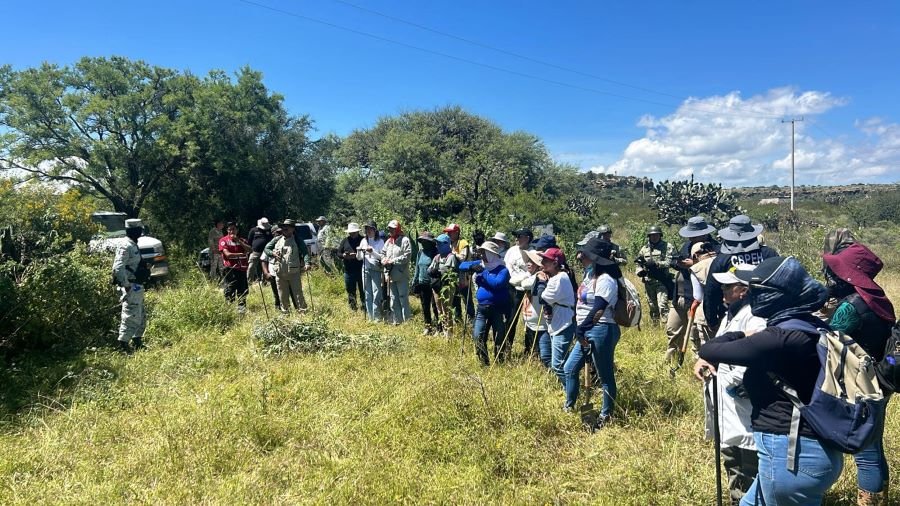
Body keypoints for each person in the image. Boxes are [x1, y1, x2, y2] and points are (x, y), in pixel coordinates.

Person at [698, 256, 842, 505]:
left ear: (774, 295)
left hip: (791, 456)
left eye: (755, 290)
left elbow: (710, 349)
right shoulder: (810, 325)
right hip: (805, 451)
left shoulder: (779, 337)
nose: (750, 295)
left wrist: (744, 332)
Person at [823, 243, 895, 504]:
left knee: (866, 451)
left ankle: (870, 501)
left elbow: (829, 339)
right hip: (880, 378)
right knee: (874, 443)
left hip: (861, 382)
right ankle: (881, 497)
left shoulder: (851, 305)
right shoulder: (877, 298)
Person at [693, 265, 766, 505]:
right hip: (726, 401)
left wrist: (729, 377)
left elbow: (751, 361)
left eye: (727, 286)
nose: (722, 290)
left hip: (741, 401)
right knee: (730, 454)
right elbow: (721, 348)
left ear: (743, 290)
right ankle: (737, 499)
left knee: (749, 459)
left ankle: (750, 500)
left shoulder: (755, 317)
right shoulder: (730, 313)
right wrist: (707, 359)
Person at [562, 238, 622, 427]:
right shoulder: (590, 277)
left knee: (605, 375)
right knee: (569, 368)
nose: (581, 257)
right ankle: (569, 406)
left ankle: (606, 416)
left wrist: (582, 329)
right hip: (587, 329)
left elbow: (599, 308)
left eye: (585, 254)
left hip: (601, 329)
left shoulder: (606, 280)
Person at [703, 215, 778, 330]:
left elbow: (711, 291)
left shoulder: (722, 259)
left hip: (734, 313)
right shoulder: (769, 254)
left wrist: (711, 320)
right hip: (769, 311)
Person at [666, 216, 717, 367]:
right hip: (679, 296)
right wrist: (680, 263)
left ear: (704, 233)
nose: (691, 237)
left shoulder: (715, 248)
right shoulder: (686, 246)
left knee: (696, 336)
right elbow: (675, 263)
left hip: (698, 300)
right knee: (672, 330)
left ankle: (700, 366)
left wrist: (694, 264)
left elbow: (713, 268)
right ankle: (671, 365)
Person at [459, 241, 511, 365]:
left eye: (484, 253)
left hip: (498, 308)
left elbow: (496, 284)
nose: (482, 256)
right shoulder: (481, 265)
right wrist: (471, 267)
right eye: (481, 253)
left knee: (499, 336)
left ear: (492, 254)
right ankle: (484, 362)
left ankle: (500, 361)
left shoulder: (502, 269)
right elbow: (461, 266)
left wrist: (483, 274)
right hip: (482, 308)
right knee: (477, 335)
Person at [538, 247, 577, 382]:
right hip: (560, 320)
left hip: (563, 322)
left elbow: (542, 298)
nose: (542, 262)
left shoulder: (558, 279)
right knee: (561, 362)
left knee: (558, 365)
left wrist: (542, 282)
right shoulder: (559, 276)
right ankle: (570, 392)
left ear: (555, 263)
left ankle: (571, 392)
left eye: (545, 260)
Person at [112, 219, 149, 353]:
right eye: (139, 229)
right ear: (133, 230)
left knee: (140, 314)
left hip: (137, 285)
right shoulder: (125, 245)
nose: (141, 232)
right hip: (131, 286)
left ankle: (137, 341)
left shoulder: (133, 244)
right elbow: (118, 267)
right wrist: (125, 284)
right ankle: (123, 345)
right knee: (129, 315)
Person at [264, 219, 309, 313]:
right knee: (282, 295)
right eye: (283, 227)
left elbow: (305, 252)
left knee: (298, 294)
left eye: (287, 227)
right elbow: (266, 248)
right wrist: (272, 253)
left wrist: (307, 263)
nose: (284, 229)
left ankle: (303, 313)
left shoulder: (297, 240)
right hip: (279, 273)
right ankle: (285, 314)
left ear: (292, 229)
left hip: (294, 273)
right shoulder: (276, 239)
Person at [635, 225, 674, 325]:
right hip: (649, 281)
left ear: (660, 235)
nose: (654, 237)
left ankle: (667, 326)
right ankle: (655, 327)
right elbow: (638, 262)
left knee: (662, 305)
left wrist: (657, 264)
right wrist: (640, 271)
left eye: (656, 235)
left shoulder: (667, 246)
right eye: (652, 235)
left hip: (661, 280)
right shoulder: (644, 249)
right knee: (652, 306)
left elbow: (669, 262)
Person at [505, 228, 533, 350]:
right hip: (513, 288)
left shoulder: (533, 252)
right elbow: (507, 267)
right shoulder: (511, 251)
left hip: (528, 290)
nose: (516, 239)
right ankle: (507, 347)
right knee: (511, 319)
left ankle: (529, 349)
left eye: (519, 236)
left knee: (529, 319)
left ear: (527, 238)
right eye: (516, 236)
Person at [381, 220, 412, 324]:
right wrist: (384, 260)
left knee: (403, 298)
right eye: (390, 228)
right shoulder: (388, 241)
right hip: (390, 275)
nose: (391, 230)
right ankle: (397, 321)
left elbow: (407, 256)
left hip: (401, 274)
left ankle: (407, 321)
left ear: (398, 229)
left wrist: (393, 260)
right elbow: (383, 253)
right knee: (393, 299)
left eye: (393, 228)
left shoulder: (404, 240)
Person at [520, 248, 548, 359]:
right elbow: (518, 282)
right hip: (531, 323)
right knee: (533, 350)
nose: (528, 264)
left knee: (543, 353)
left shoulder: (542, 277)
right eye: (528, 261)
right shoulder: (532, 276)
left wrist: (536, 277)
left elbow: (525, 284)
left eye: (531, 262)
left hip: (541, 325)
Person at [429, 233, 459, 334]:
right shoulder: (437, 257)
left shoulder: (451, 257)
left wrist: (437, 272)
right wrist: (431, 271)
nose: (437, 246)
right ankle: (443, 329)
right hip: (437, 287)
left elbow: (448, 271)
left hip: (447, 287)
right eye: (437, 244)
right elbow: (430, 269)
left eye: (439, 244)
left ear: (446, 244)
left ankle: (449, 333)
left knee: (447, 310)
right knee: (439, 309)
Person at [219, 222, 251, 313]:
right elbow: (227, 255)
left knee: (243, 292)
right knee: (230, 291)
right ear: (227, 230)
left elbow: (249, 250)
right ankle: (228, 311)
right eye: (229, 229)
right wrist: (241, 254)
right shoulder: (223, 240)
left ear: (237, 230)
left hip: (242, 269)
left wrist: (239, 241)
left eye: (233, 229)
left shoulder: (242, 240)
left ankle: (241, 312)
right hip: (230, 270)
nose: (231, 231)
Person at [358, 220, 385, 322]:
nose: (368, 231)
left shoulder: (380, 241)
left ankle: (377, 316)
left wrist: (372, 252)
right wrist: (359, 251)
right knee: (367, 292)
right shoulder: (363, 241)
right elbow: (360, 258)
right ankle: (370, 316)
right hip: (365, 268)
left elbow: (382, 256)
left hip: (376, 268)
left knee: (376, 292)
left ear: (375, 230)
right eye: (367, 229)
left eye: (370, 229)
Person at [413, 231, 439, 334]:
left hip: (432, 284)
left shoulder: (435, 253)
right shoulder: (420, 253)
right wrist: (415, 281)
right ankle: (428, 326)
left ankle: (439, 327)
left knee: (435, 306)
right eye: (422, 241)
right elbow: (417, 268)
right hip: (422, 282)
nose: (423, 243)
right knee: (425, 306)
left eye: (425, 241)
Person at [445, 223, 472, 320]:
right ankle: (458, 319)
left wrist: (453, 253)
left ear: (457, 233)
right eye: (448, 233)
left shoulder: (463, 243)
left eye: (450, 232)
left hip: (463, 275)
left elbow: (463, 258)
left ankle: (471, 319)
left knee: (466, 298)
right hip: (453, 275)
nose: (448, 234)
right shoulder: (449, 243)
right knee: (455, 299)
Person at [339, 222, 365, 311]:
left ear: (358, 232)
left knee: (363, 290)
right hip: (349, 270)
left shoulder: (363, 240)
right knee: (350, 290)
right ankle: (353, 308)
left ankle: (364, 306)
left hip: (361, 269)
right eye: (351, 232)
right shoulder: (345, 240)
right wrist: (344, 255)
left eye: (354, 232)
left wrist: (357, 255)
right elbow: (338, 253)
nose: (352, 234)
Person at [259, 226, 284, 311]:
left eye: (281, 232)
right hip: (274, 273)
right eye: (278, 233)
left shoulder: (286, 242)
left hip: (287, 272)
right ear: (273, 233)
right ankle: (278, 309)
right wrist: (266, 273)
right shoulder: (269, 245)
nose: (280, 234)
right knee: (276, 293)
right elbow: (263, 259)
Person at [247, 218, 273, 284]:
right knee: (251, 266)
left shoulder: (270, 230)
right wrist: (250, 249)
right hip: (255, 251)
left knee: (265, 267)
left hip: (266, 252)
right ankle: (249, 281)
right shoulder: (254, 230)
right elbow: (249, 240)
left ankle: (264, 282)